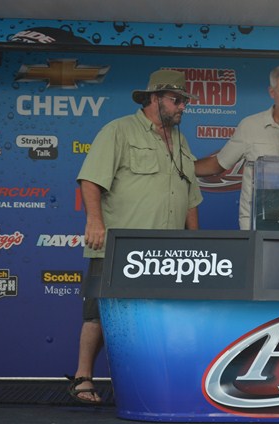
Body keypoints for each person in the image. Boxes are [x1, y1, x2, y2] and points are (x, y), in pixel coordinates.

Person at [69, 70, 203, 404]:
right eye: (176, 100)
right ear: (154, 98)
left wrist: (196, 241)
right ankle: (83, 378)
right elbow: (91, 180)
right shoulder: (118, 130)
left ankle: (150, 381)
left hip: (168, 251)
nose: (183, 106)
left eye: (184, 100)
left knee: (157, 316)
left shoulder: (181, 141)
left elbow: (190, 196)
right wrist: (95, 222)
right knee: (99, 313)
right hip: (120, 244)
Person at [194, 64, 279, 229]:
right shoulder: (250, 125)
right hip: (257, 223)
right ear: (272, 92)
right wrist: (179, 167)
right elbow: (218, 164)